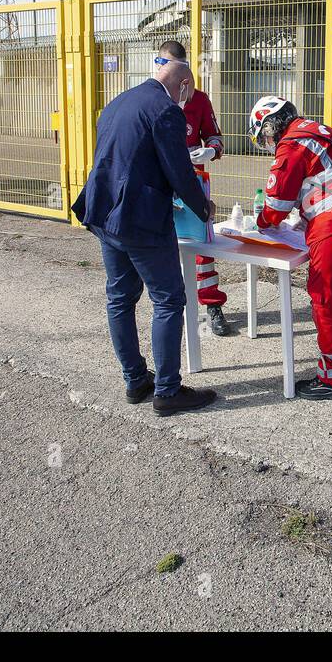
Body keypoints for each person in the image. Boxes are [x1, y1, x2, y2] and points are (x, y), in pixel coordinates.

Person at [71, 54, 217, 416]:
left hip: (104, 212)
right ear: (183, 84)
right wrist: (203, 208)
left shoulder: (121, 100)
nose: (186, 100)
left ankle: (135, 380)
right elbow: (179, 170)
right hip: (139, 219)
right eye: (188, 93)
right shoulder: (166, 111)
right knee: (168, 300)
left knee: (120, 297)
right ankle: (167, 391)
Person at [250, 94, 332, 401]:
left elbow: (276, 204)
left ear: (269, 126)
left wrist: (263, 222)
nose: (267, 144)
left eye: (263, 138)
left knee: (325, 302)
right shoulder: (319, 131)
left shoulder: (292, 144)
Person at [161, 40, 234, 337]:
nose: (164, 72)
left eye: (169, 66)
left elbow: (216, 138)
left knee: (201, 247)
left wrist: (209, 152)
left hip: (193, 184)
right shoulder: (154, 99)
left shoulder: (200, 100)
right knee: (165, 247)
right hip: (162, 183)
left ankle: (212, 305)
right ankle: (172, 308)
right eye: (160, 64)